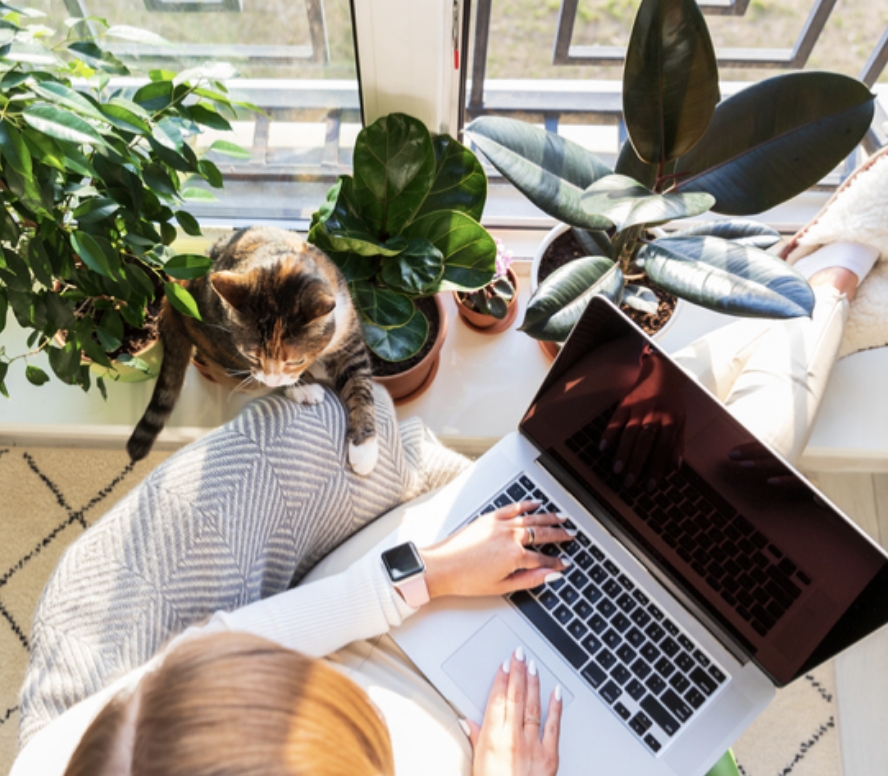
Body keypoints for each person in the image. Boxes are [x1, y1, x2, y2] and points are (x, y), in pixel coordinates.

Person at [12, 146, 888, 776]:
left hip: (377, 623)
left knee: (640, 448)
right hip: (502, 744)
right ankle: (825, 284)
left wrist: (418, 575)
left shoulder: (77, 757)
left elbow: (215, 650)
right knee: (728, 474)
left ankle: (812, 291)